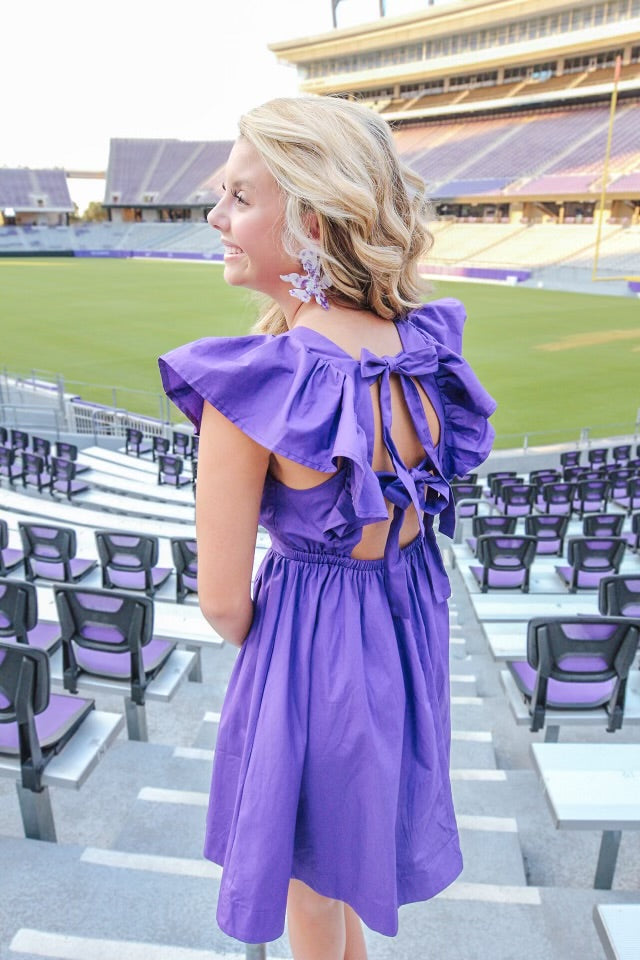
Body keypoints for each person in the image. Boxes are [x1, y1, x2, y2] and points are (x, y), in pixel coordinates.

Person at [158, 94, 496, 960]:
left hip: (308, 648)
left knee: (309, 889)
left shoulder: (258, 384)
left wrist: (289, 653)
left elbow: (224, 603)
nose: (216, 216)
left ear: (308, 219)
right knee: (340, 875)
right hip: (402, 640)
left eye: (239, 197)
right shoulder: (423, 354)